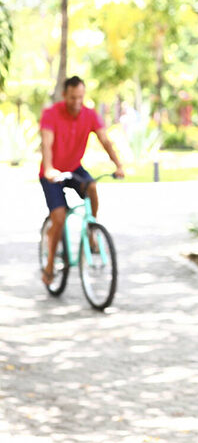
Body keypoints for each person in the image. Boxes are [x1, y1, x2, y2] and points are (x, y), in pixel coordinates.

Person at [39, 75, 125, 285]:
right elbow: (47, 144)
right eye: (72, 98)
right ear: (64, 95)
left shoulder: (89, 115)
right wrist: (50, 169)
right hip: (52, 173)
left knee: (92, 186)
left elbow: (105, 140)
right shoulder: (51, 114)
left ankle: (91, 228)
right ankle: (49, 265)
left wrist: (118, 164)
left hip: (74, 168)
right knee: (59, 218)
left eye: (80, 98)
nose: (77, 102)